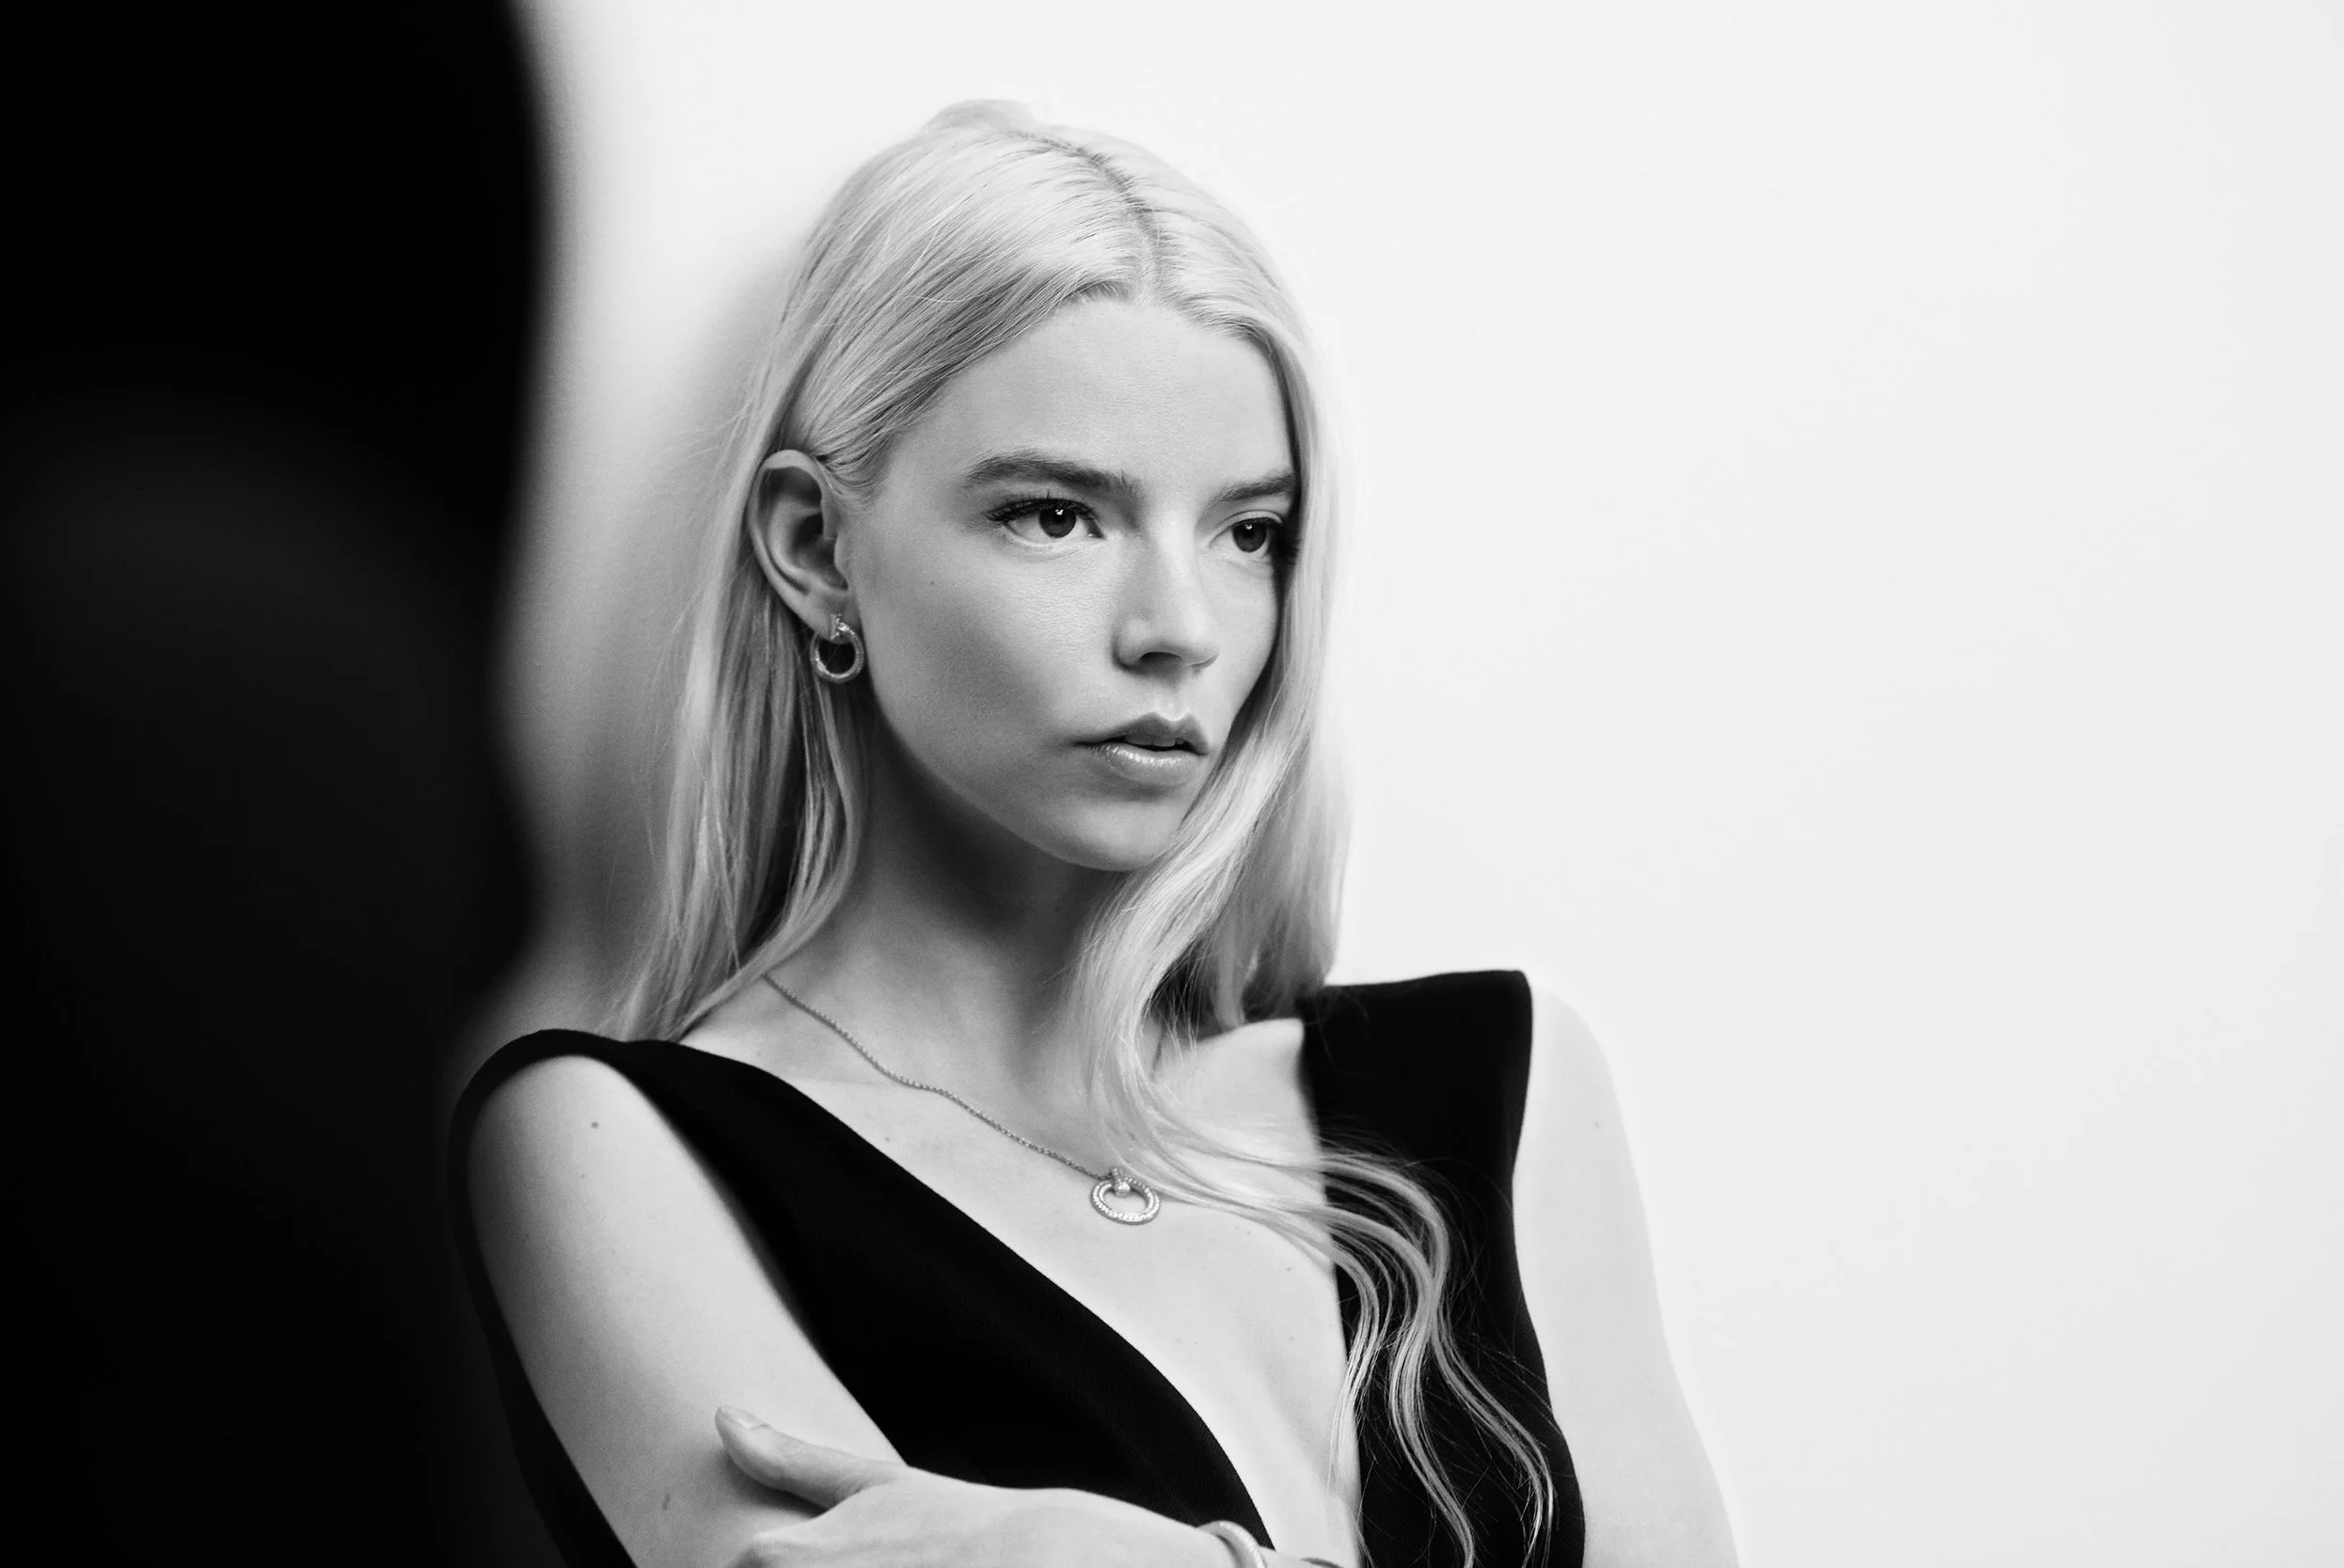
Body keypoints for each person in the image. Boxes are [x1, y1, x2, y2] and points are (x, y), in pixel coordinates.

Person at [453, 102, 1736, 1568]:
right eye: (1059, 516)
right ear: (815, 549)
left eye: (1248, 532)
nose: (1179, 627)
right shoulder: (611, 1147)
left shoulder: (1499, 1091)